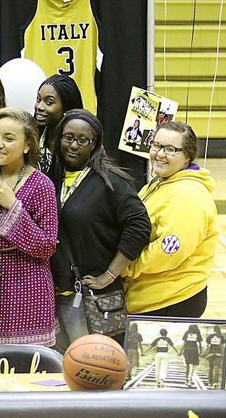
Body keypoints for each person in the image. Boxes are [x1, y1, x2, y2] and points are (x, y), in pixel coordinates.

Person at [48, 110, 151, 351]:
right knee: (59, 374)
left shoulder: (110, 182)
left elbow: (139, 225)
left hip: (92, 299)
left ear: (94, 144)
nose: (73, 145)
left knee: (95, 374)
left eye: (83, 140)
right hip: (56, 297)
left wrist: (110, 274)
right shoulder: (52, 178)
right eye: (68, 137)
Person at [0, 107, 59, 352]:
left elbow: (47, 246)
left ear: (27, 145)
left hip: (29, 285)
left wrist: (13, 207)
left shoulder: (42, 185)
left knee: (30, 364)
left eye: (9, 139)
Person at [123, 122, 219, 317]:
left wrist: (124, 266)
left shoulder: (188, 194)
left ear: (187, 156)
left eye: (170, 149)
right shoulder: (162, 182)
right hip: (149, 297)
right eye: (156, 146)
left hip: (171, 301)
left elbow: (168, 251)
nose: (159, 154)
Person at [34, 74, 83, 175]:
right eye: (38, 99)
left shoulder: (79, 143)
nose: (39, 107)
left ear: (66, 108)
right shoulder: (31, 137)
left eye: (49, 102)